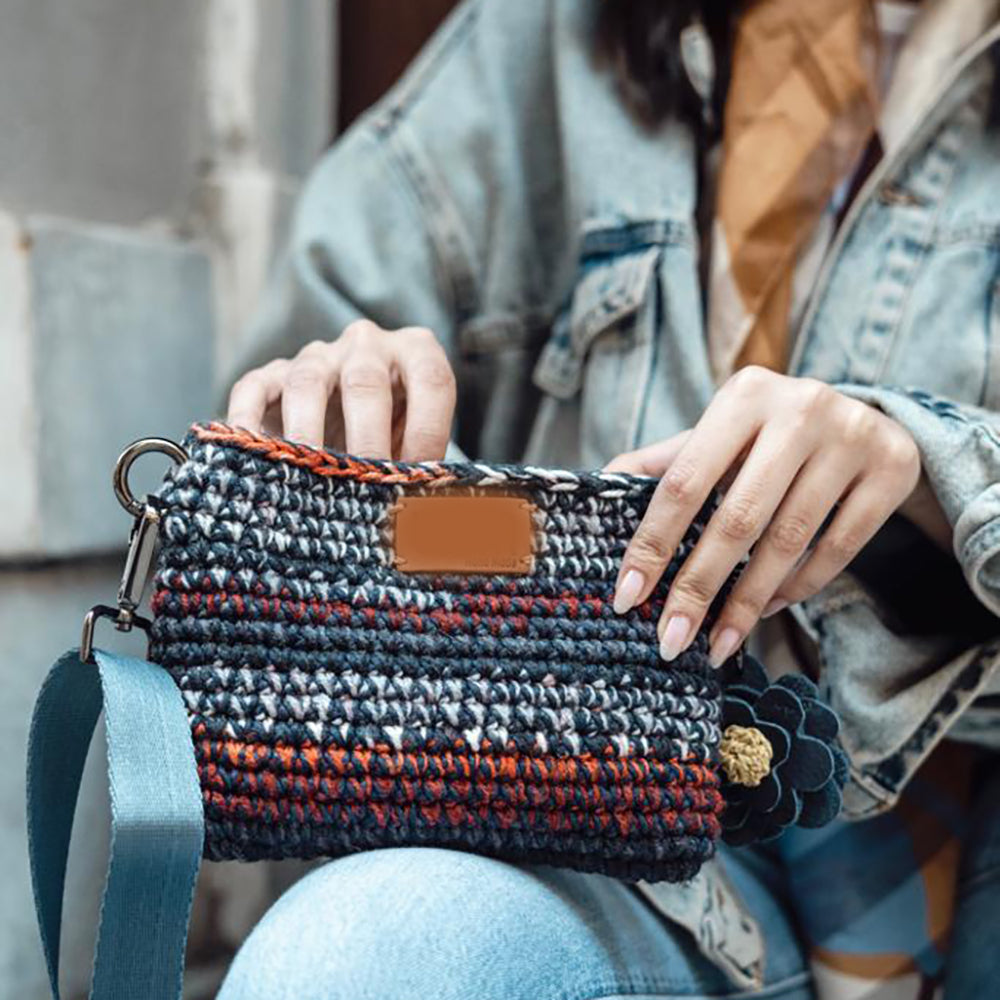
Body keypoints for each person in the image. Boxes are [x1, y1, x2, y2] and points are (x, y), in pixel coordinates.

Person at [216, 1, 1000, 997]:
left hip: (974, 796)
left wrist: (936, 475)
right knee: (358, 963)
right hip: (626, 823)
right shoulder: (555, 36)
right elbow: (283, 441)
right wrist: (347, 425)